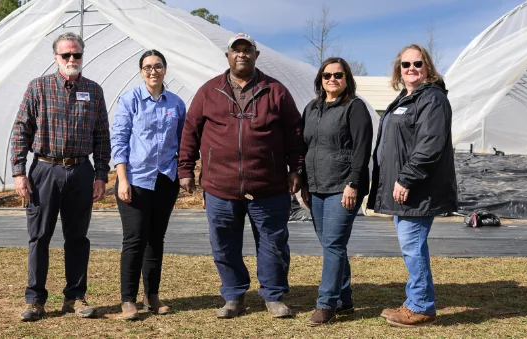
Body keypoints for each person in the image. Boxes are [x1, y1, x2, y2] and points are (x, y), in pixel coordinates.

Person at [178, 33, 305, 319]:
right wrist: (185, 168)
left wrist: (296, 168)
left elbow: (294, 132)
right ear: (228, 56)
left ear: (256, 56)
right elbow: (190, 131)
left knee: (273, 242)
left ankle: (273, 296)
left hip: (268, 186)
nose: (242, 55)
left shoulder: (275, 90)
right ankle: (234, 296)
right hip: (220, 186)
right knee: (224, 243)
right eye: (236, 50)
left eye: (248, 50)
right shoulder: (209, 91)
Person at [9, 32, 108, 322]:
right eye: (66, 55)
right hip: (44, 170)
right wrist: (18, 172)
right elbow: (21, 131)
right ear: (55, 58)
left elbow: (102, 135)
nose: (72, 60)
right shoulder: (38, 88)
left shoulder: (94, 90)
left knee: (77, 237)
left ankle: (75, 297)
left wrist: (101, 173)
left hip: (80, 170)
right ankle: (35, 300)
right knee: (39, 236)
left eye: (76, 54)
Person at [369, 44, 455, 328]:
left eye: (418, 64)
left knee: (413, 246)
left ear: (427, 67)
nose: (412, 69)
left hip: (417, 188)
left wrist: (407, 177)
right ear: (399, 70)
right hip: (404, 187)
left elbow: (429, 144)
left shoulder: (432, 98)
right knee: (412, 246)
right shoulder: (405, 98)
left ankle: (421, 307)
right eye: (406, 65)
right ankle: (417, 301)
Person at [109, 50, 186, 321]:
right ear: (141, 71)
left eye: (158, 66)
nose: (153, 71)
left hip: (165, 178)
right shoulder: (130, 100)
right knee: (135, 239)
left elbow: (182, 141)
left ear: (165, 69)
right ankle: (128, 299)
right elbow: (119, 139)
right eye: (147, 67)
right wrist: (122, 179)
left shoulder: (176, 103)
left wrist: (182, 173)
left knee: (156, 239)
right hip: (136, 180)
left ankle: (152, 295)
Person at [300, 57, 372, 326]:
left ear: (347, 79)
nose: (332, 79)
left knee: (333, 245)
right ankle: (344, 299)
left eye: (338, 75)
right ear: (320, 79)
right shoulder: (312, 108)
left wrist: (353, 183)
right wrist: (304, 182)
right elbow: (304, 146)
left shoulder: (354, 107)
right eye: (327, 75)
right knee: (332, 245)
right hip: (316, 187)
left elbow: (362, 149)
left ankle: (326, 304)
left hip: (343, 187)